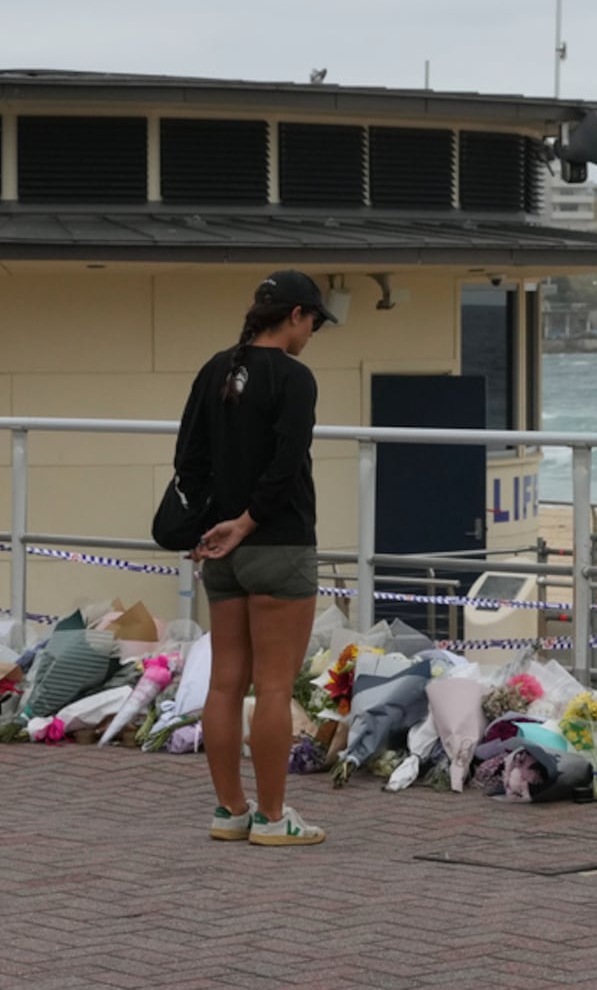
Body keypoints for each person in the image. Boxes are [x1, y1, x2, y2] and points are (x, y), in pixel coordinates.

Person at [173, 270, 337, 847]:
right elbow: (286, 462)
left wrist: (209, 530)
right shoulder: (294, 378)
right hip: (278, 541)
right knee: (273, 686)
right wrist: (249, 522)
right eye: (313, 320)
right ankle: (272, 817)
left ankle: (230, 810)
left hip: (219, 547)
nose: (313, 331)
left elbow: (187, 459)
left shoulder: (215, 368)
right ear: (294, 315)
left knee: (224, 684)